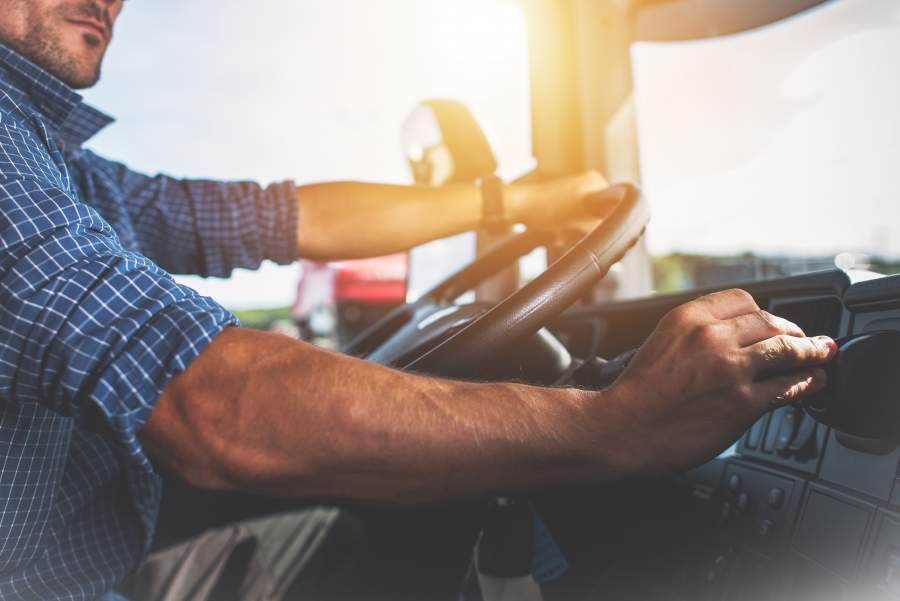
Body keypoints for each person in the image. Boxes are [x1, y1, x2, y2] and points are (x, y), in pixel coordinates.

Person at [0, 1, 836, 599]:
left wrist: (515, 205)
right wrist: (615, 424)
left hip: (96, 561)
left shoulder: (60, 164)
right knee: (416, 521)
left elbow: (266, 215)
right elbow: (206, 399)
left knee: (380, 528)